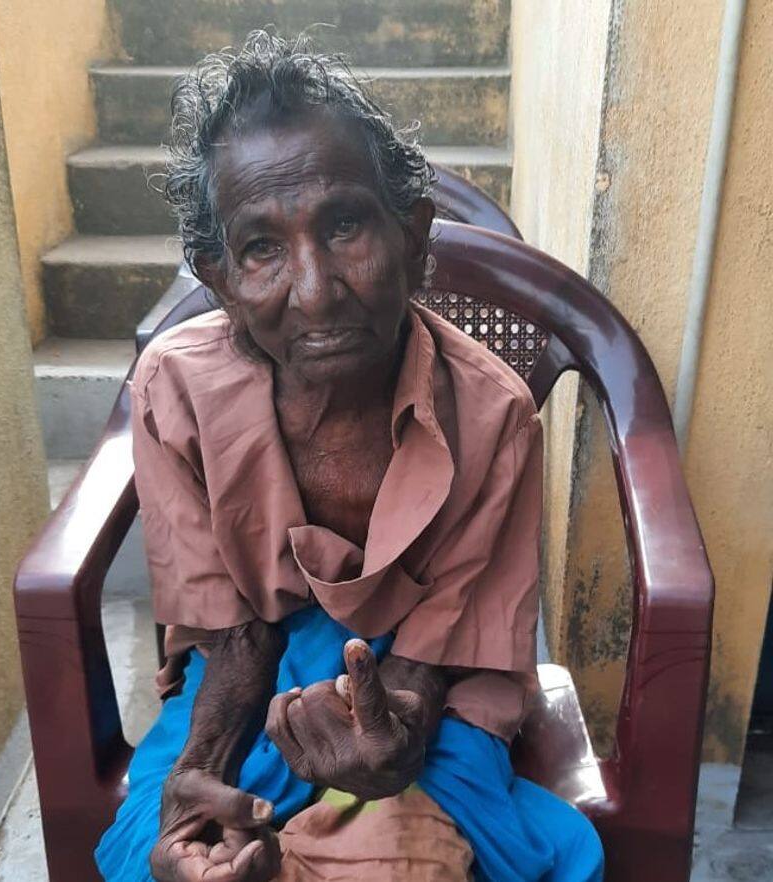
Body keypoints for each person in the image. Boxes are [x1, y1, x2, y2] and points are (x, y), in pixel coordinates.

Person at [96, 31, 604, 882]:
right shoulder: (174, 389)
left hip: (430, 689)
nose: (316, 289)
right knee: (169, 856)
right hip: (247, 685)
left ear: (412, 235)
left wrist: (393, 753)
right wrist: (202, 782)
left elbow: (435, 658)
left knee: (396, 860)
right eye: (261, 248)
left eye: (345, 226)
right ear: (217, 277)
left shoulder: (491, 413)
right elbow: (234, 639)